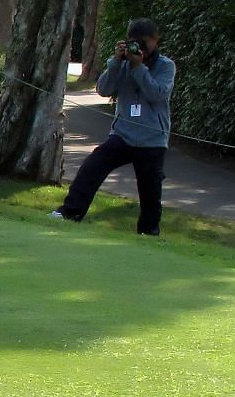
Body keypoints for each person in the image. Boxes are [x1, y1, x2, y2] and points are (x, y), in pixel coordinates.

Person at [51, 17, 176, 234]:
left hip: (152, 139)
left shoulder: (166, 66)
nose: (140, 48)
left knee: (150, 190)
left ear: (155, 41)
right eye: (135, 42)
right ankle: (70, 212)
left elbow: (157, 94)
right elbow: (104, 89)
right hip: (123, 135)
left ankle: (148, 233)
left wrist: (139, 68)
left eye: (144, 43)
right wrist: (116, 63)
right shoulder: (123, 64)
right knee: (92, 166)